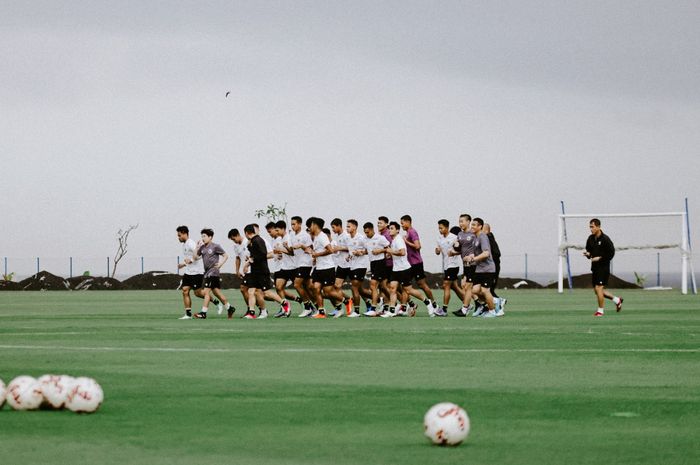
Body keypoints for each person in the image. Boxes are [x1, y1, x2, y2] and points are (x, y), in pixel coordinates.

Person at [242, 224, 291, 319]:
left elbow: (263, 254)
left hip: (262, 271)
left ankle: (284, 303)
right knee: (251, 291)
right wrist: (248, 263)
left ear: (247, 233)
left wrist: (252, 259)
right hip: (254, 271)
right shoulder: (251, 241)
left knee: (266, 292)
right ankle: (253, 313)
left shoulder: (258, 240)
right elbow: (254, 255)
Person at [306, 218, 350, 318]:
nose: (309, 229)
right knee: (315, 288)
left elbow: (330, 250)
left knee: (328, 292)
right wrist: (313, 254)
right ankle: (321, 312)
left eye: (310, 226)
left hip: (327, 268)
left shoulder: (322, 237)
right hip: (319, 268)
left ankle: (346, 301)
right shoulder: (316, 237)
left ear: (314, 225)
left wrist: (317, 254)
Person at [176, 225, 220, 319]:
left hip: (197, 272)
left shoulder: (191, 243)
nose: (178, 237)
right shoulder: (184, 245)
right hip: (188, 272)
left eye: (179, 235)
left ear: (184, 234)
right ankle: (188, 314)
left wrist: (191, 260)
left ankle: (216, 302)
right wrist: (183, 264)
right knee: (185, 291)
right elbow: (189, 259)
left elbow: (199, 255)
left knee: (198, 293)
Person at [584, 218, 623, 317]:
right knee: (597, 291)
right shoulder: (590, 238)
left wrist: (599, 258)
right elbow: (590, 252)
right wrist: (588, 254)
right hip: (595, 268)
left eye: (592, 227)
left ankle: (600, 311)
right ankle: (617, 300)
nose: (591, 229)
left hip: (603, 267)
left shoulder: (605, 239)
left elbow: (611, 253)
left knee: (599, 288)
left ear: (598, 227)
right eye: (590, 227)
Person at [191, 228, 234, 319]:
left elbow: (226, 255)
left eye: (204, 236)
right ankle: (230, 308)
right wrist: (197, 247)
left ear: (210, 237)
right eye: (202, 236)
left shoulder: (215, 246)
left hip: (213, 272)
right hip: (206, 273)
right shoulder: (202, 248)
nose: (203, 238)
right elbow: (195, 257)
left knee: (206, 292)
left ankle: (203, 313)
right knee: (217, 293)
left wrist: (220, 264)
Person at [400, 214, 438, 314]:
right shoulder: (408, 233)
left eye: (403, 223)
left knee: (422, 285)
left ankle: (434, 304)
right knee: (405, 285)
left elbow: (418, 246)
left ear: (408, 222)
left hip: (416, 263)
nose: (402, 225)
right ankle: (404, 308)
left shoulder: (412, 232)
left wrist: (406, 242)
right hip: (409, 264)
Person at [465, 218, 499, 318]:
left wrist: (474, 259)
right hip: (479, 269)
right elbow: (476, 252)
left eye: (474, 225)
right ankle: (493, 302)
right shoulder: (475, 237)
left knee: (485, 290)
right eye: (472, 225)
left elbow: (486, 253)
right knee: (475, 291)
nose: (472, 227)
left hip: (488, 269)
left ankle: (492, 311)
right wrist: (470, 256)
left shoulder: (483, 237)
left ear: (480, 227)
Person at [382, 221, 416, 317]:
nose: (389, 230)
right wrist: (389, 254)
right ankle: (392, 311)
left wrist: (391, 251)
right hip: (396, 269)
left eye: (392, 228)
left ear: (397, 230)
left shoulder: (399, 239)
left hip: (404, 268)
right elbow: (394, 253)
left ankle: (428, 302)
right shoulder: (393, 241)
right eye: (389, 229)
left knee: (408, 290)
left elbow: (402, 252)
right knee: (392, 289)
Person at [272, 220, 302, 317]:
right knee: (278, 287)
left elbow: (292, 253)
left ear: (283, 229)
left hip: (293, 267)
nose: (276, 232)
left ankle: (309, 306)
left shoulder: (289, 238)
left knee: (301, 288)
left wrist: (282, 250)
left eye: (277, 230)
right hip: (284, 267)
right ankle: (285, 308)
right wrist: (278, 253)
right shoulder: (279, 239)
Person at [435, 220, 464, 317]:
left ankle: (444, 310)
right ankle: (468, 303)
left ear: (447, 227)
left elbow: (461, 250)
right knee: (454, 287)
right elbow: (438, 251)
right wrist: (437, 250)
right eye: (439, 228)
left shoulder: (454, 238)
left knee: (446, 285)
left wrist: (454, 252)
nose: (440, 230)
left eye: (441, 228)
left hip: (453, 265)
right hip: (446, 266)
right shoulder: (439, 238)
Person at [289, 216, 316, 317]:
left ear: (299, 224)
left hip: (305, 263)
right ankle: (318, 308)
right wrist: (286, 248)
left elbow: (311, 249)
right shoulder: (292, 235)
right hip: (297, 263)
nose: (292, 226)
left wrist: (301, 245)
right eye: (291, 224)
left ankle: (307, 307)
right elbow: (292, 252)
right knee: (308, 287)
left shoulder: (305, 235)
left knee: (296, 284)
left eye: (294, 224)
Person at [346, 219, 373, 317]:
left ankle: (356, 311)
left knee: (354, 287)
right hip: (352, 266)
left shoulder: (361, 238)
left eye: (349, 226)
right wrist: (349, 256)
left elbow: (369, 249)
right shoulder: (348, 238)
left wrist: (360, 252)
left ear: (355, 227)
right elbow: (350, 251)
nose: (347, 228)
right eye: (347, 226)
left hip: (361, 266)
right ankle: (379, 299)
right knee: (360, 290)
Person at [453, 214, 478, 317]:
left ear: (468, 222)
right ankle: (479, 304)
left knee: (468, 286)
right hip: (465, 264)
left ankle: (465, 309)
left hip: (473, 264)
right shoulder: (459, 234)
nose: (460, 223)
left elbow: (478, 248)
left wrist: (473, 256)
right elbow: (459, 249)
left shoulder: (473, 234)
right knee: (466, 286)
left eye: (462, 221)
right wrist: (455, 247)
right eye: (459, 221)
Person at [363, 222, 390, 317]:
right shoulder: (365, 239)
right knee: (383, 287)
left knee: (373, 285)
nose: (367, 234)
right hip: (373, 263)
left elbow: (388, 248)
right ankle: (393, 303)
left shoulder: (380, 238)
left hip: (380, 263)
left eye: (368, 232)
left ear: (372, 229)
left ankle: (373, 308)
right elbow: (367, 250)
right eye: (365, 232)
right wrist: (361, 252)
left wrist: (380, 250)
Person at [484, 223, 507, 312]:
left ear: (486, 230)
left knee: (488, 290)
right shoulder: (487, 239)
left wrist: (489, 261)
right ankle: (492, 306)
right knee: (486, 289)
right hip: (491, 267)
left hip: (493, 268)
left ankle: (498, 303)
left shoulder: (489, 239)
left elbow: (497, 253)